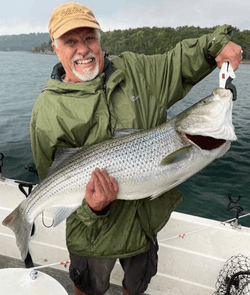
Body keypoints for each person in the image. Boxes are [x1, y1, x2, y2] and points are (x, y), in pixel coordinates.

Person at [30, 2, 242, 295]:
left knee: (136, 286)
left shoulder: (138, 70)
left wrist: (215, 44)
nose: (82, 49)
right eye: (70, 41)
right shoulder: (48, 110)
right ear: (55, 47)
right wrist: (93, 209)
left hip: (144, 223)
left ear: (100, 39)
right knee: (87, 288)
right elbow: (52, 178)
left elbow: (177, 62)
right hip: (92, 235)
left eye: (89, 37)